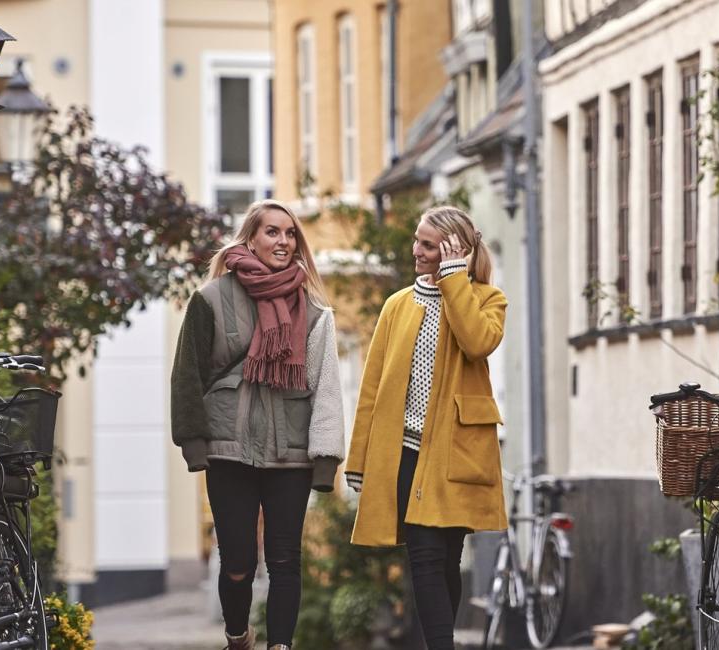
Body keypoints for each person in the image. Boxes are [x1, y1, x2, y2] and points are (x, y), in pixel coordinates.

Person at [171, 199, 345, 650]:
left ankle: (280, 646)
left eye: (290, 234)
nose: (283, 242)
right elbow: (187, 374)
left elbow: (327, 388)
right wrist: (194, 443)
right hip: (229, 450)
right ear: (250, 237)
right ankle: (237, 636)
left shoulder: (315, 311)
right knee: (238, 562)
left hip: (292, 453)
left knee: (286, 560)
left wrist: (325, 458)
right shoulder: (210, 300)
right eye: (273, 232)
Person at [344, 205, 508, 649]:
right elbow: (372, 387)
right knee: (424, 556)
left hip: (456, 453)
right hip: (404, 453)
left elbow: (477, 342)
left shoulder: (487, 300)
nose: (416, 250)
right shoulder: (398, 305)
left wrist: (455, 279)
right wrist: (358, 458)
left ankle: (440, 640)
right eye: (417, 240)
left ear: (453, 251)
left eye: (428, 245)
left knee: (447, 559)